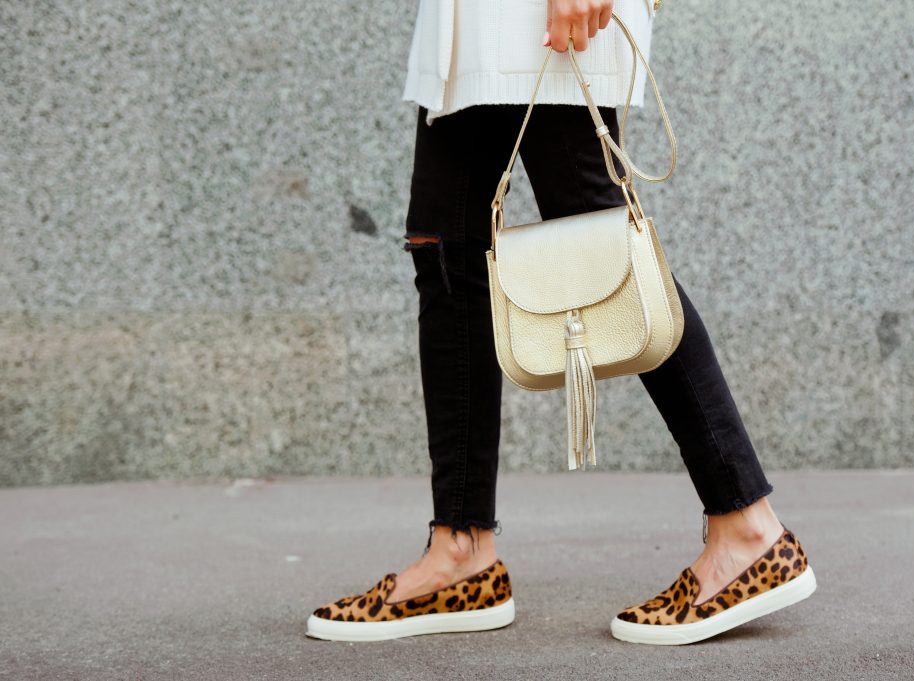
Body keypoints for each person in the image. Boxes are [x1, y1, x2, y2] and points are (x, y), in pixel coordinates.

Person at [306, 0, 816, 645]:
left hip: (543, 17)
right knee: (445, 254)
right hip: (472, 26)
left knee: (603, 240)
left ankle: (749, 528)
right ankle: (460, 552)